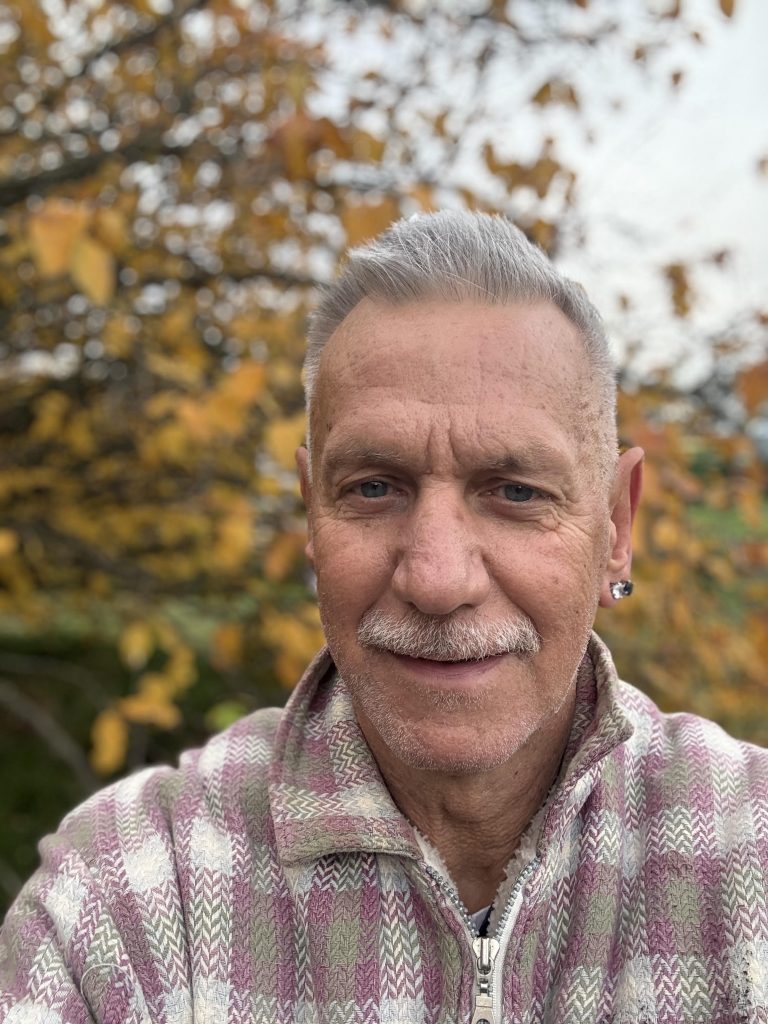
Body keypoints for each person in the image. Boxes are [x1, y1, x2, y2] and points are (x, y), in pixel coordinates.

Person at [1, 211, 766, 1024]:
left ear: (616, 526)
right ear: (311, 511)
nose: (437, 579)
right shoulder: (125, 899)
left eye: (516, 492)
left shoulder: (749, 856)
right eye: (373, 487)